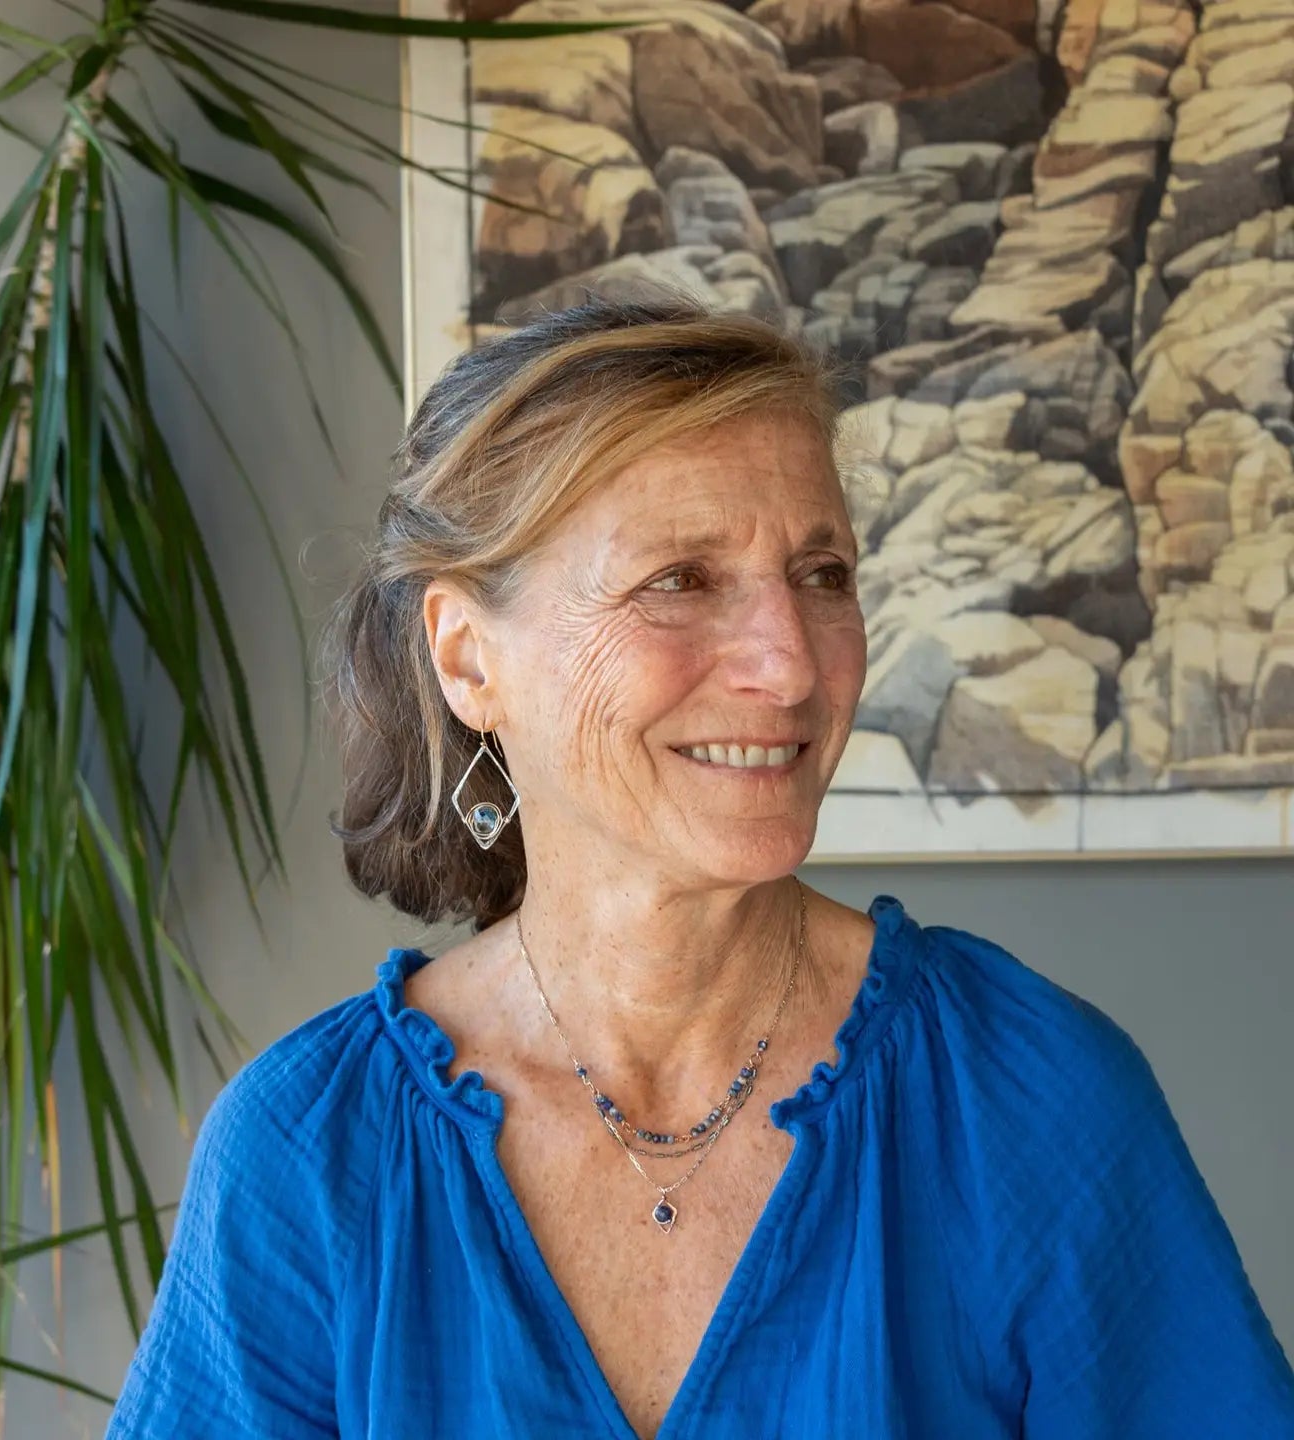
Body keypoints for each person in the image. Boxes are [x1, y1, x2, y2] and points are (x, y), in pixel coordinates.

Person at [105, 297, 1294, 1439]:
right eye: (680, 579)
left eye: (822, 575)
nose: (792, 666)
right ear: (468, 660)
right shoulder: (311, 1155)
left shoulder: (1027, 1102)